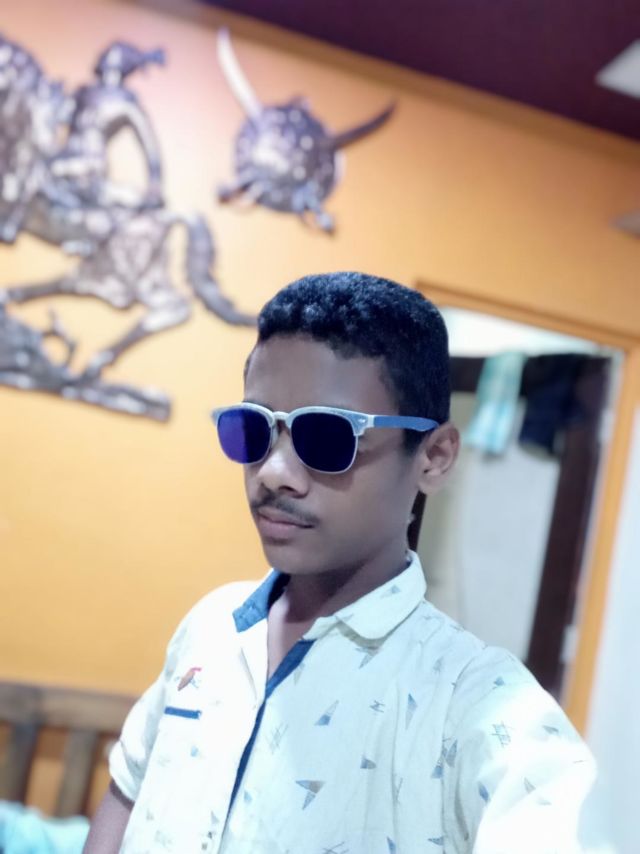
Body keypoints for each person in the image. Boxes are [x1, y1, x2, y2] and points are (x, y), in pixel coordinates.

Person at [84, 272, 610, 853]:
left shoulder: (475, 702)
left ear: (433, 457)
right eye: (254, 430)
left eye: (327, 437)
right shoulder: (211, 626)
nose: (274, 473)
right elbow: (129, 792)